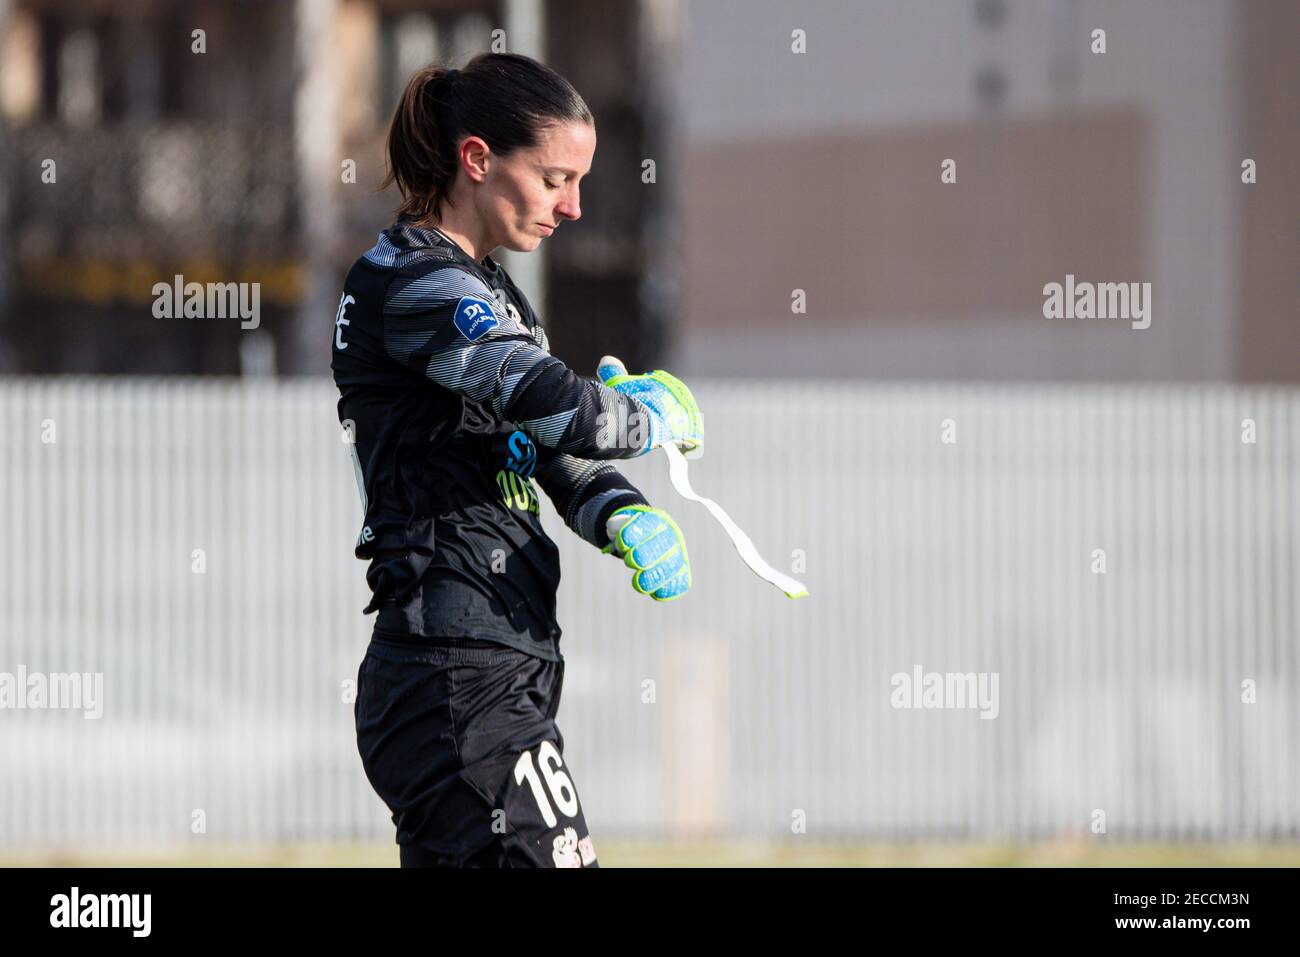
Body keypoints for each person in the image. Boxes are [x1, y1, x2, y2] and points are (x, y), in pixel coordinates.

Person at [330, 52, 704, 868]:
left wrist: (619, 510)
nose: (573, 206)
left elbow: (542, 445)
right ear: (477, 160)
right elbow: (547, 398)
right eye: (555, 179)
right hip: (453, 674)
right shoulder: (415, 283)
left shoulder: (489, 292)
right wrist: (642, 420)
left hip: (496, 663)